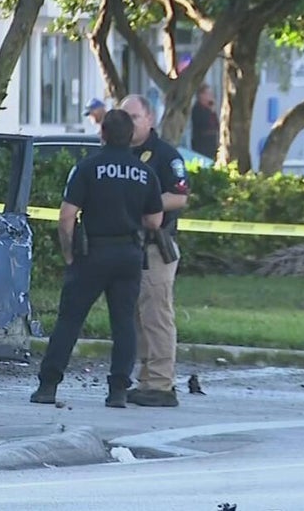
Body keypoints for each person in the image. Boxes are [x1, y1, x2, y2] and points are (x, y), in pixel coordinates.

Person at [31, 109, 164, 408]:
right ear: (131, 136)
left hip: (92, 253)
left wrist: (68, 253)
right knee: (124, 324)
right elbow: (155, 220)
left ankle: (48, 386)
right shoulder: (145, 173)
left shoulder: (88, 168)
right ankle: (118, 390)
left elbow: (67, 216)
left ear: (102, 133)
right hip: (129, 254)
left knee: (69, 321)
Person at [119, 94, 190, 407]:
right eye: (123, 116)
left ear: (149, 119)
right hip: (127, 244)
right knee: (137, 316)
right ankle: (146, 380)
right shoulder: (118, 153)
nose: (128, 123)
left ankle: (161, 383)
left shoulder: (164, 155)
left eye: (133, 117)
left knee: (156, 314)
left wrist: (143, 203)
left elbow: (179, 197)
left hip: (155, 246)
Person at [191, 84, 220, 159]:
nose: (211, 96)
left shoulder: (210, 109)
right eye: (208, 94)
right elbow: (204, 124)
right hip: (202, 145)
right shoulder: (197, 109)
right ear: (201, 95)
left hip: (212, 144)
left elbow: (216, 125)